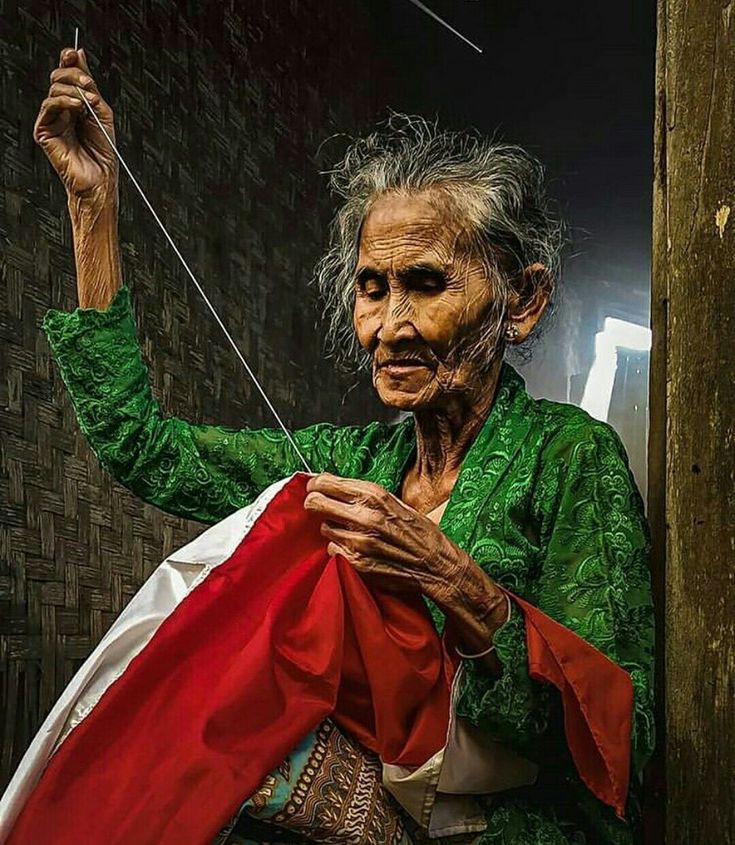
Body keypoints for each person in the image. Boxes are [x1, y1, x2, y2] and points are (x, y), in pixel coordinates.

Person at [27, 46, 655, 844]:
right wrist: (93, 209)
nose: (389, 325)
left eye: (426, 284)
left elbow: (626, 743)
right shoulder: (346, 463)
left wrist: (457, 583)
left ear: (521, 301)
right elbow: (144, 447)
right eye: (371, 287)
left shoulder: (568, 456)